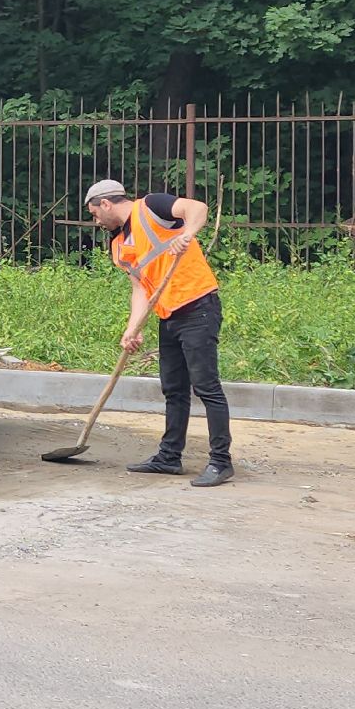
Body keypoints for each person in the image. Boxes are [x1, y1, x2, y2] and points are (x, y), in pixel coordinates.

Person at [84, 179, 233, 487]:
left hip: (198, 307)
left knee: (206, 386)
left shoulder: (152, 207)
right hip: (168, 315)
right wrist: (133, 328)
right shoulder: (118, 244)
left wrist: (187, 234)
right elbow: (140, 289)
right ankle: (169, 457)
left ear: (106, 203)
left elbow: (197, 208)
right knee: (173, 390)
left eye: (94, 213)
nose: (95, 221)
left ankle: (221, 461)